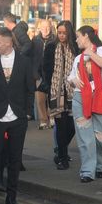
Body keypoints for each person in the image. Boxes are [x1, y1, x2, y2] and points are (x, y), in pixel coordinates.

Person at [0, 27, 35, 204]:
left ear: (8, 42)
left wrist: (27, 112)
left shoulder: (24, 62)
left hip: (18, 117)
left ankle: (12, 196)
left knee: (14, 158)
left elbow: (29, 89)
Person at [67, 26, 102, 184]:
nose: (76, 40)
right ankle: (87, 171)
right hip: (81, 98)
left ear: (86, 36)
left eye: (78, 36)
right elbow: (71, 78)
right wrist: (73, 81)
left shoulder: (101, 51)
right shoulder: (77, 58)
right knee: (85, 137)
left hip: (101, 96)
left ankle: (101, 166)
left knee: (101, 136)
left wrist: (90, 53)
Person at [41, 20, 77, 170]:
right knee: (61, 126)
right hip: (56, 91)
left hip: (73, 90)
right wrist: (49, 85)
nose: (61, 35)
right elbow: (45, 68)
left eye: (64, 33)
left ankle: (60, 150)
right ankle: (62, 157)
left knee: (72, 126)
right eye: (59, 32)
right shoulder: (50, 47)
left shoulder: (75, 48)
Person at [31, 17, 54, 129]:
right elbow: (31, 58)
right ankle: (43, 121)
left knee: (52, 97)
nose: (45, 30)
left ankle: (53, 118)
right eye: (43, 27)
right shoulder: (35, 41)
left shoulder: (55, 40)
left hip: (52, 74)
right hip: (38, 74)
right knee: (40, 99)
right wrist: (34, 72)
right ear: (39, 28)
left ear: (51, 28)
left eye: (47, 27)